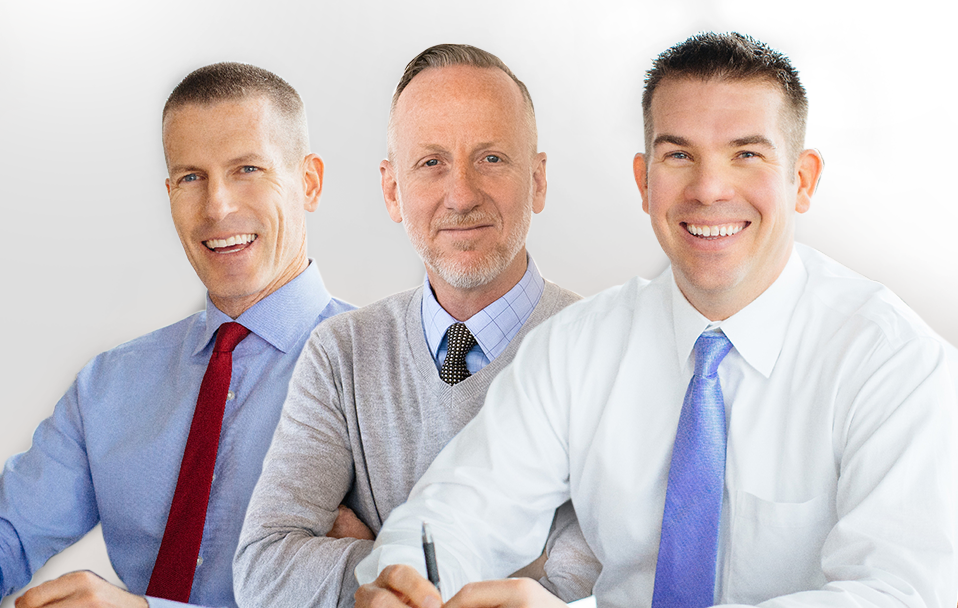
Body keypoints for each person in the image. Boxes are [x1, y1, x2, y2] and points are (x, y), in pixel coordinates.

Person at [353, 33, 958, 608]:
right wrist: (402, 582)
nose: (709, 187)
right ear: (644, 182)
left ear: (802, 180)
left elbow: (899, 595)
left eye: (746, 153)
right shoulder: (572, 351)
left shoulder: (895, 364)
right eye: (679, 155)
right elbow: (459, 508)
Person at [0, 62, 353, 608]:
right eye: (191, 177)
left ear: (309, 182)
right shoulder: (111, 384)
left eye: (247, 168)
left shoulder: (388, 374)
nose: (217, 207)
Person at [233, 44, 599, 608]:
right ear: (391, 190)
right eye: (431, 163)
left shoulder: (603, 354)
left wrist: (382, 560)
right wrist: (500, 573)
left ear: (539, 178)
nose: (461, 195)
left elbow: (590, 589)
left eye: (492, 158)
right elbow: (264, 571)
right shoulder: (340, 356)